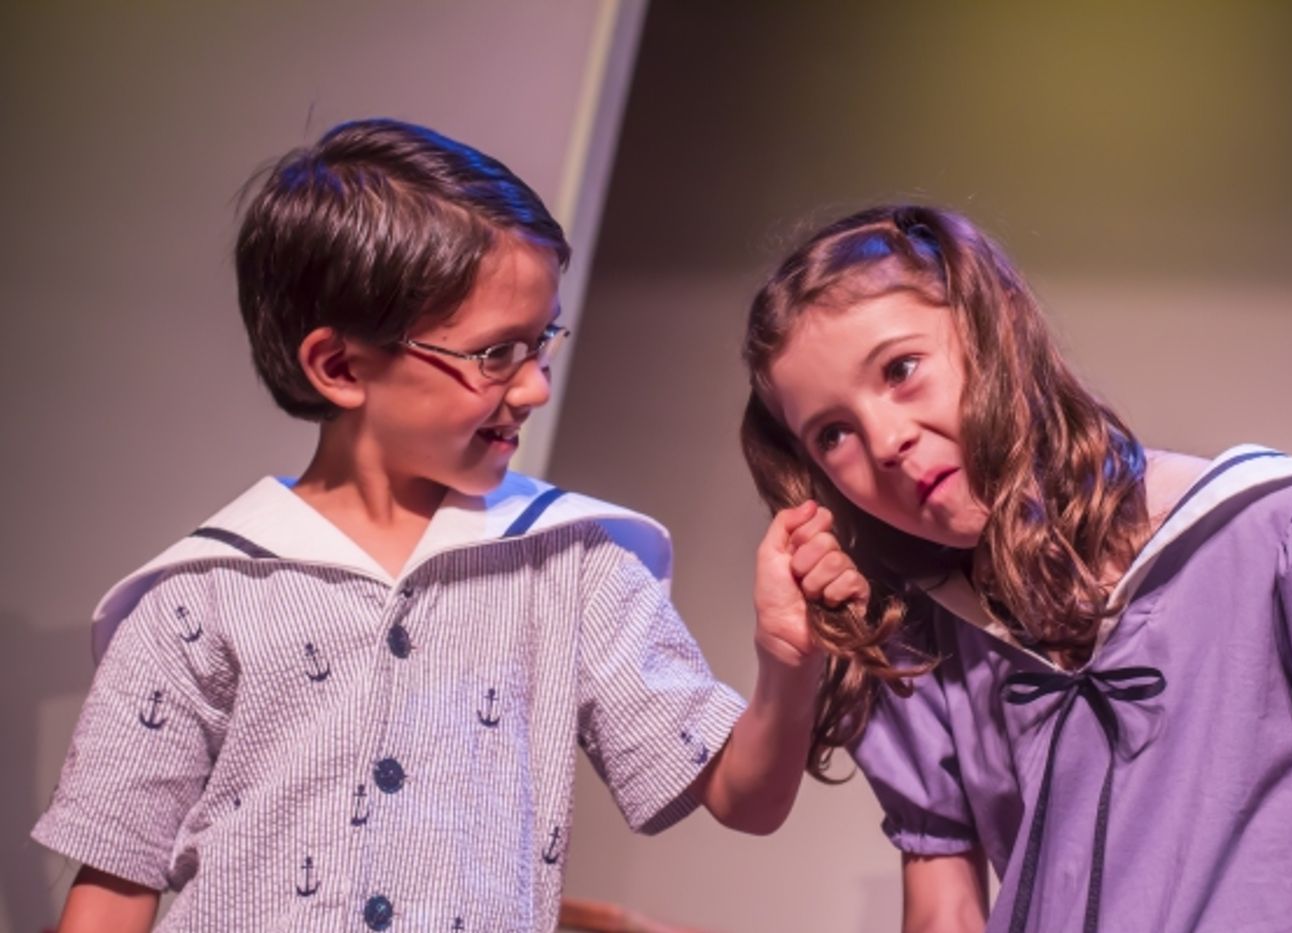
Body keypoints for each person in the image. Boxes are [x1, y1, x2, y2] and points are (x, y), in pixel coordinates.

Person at [32, 118, 857, 933]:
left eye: (542, 345)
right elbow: (114, 886)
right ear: (340, 366)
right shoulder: (199, 596)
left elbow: (744, 797)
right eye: (496, 353)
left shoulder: (571, 562)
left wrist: (787, 666)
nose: (532, 386)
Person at [739, 203, 1292, 932]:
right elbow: (944, 916)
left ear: (999, 328)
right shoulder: (923, 646)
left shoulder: (1291, 533)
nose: (886, 439)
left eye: (901, 369)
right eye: (833, 433)